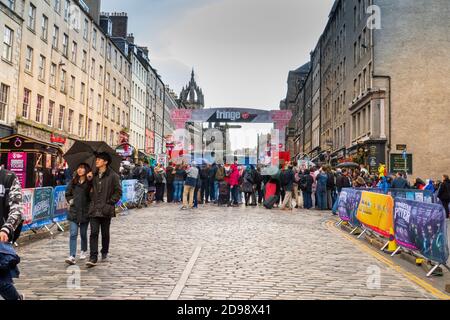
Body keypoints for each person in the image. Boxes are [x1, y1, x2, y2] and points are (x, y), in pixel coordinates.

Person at [86, 152, 122, 268]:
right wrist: (89, 179)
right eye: (96, 159)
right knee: (94, 232)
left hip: (106, 209)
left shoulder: (113, 175)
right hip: (94, 208)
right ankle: (93, 257)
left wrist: (110, 203)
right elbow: (87, 190)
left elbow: (118, 192)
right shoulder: (93, 175)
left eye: (99, 160)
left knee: (105, 233)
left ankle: (104, 251)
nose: (97, 161)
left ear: (105, 162)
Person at [0, 168, 24, 300]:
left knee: (2, 283)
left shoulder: (9, 177)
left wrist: (7, 228)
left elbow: (17, 208)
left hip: (1, 236)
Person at [65, 163, 92, 265]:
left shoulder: (90, 183)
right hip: (74, 211)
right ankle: (72, 255)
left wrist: (90, 180)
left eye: (82, 168)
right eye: (79, 168)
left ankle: (83, 250)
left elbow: (92, 195)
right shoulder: (73, 182)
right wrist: (70, 200)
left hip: (85, 211)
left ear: (86, 170)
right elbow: (68, 193)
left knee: (83, 234)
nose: (80, 170)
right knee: (73, 233)